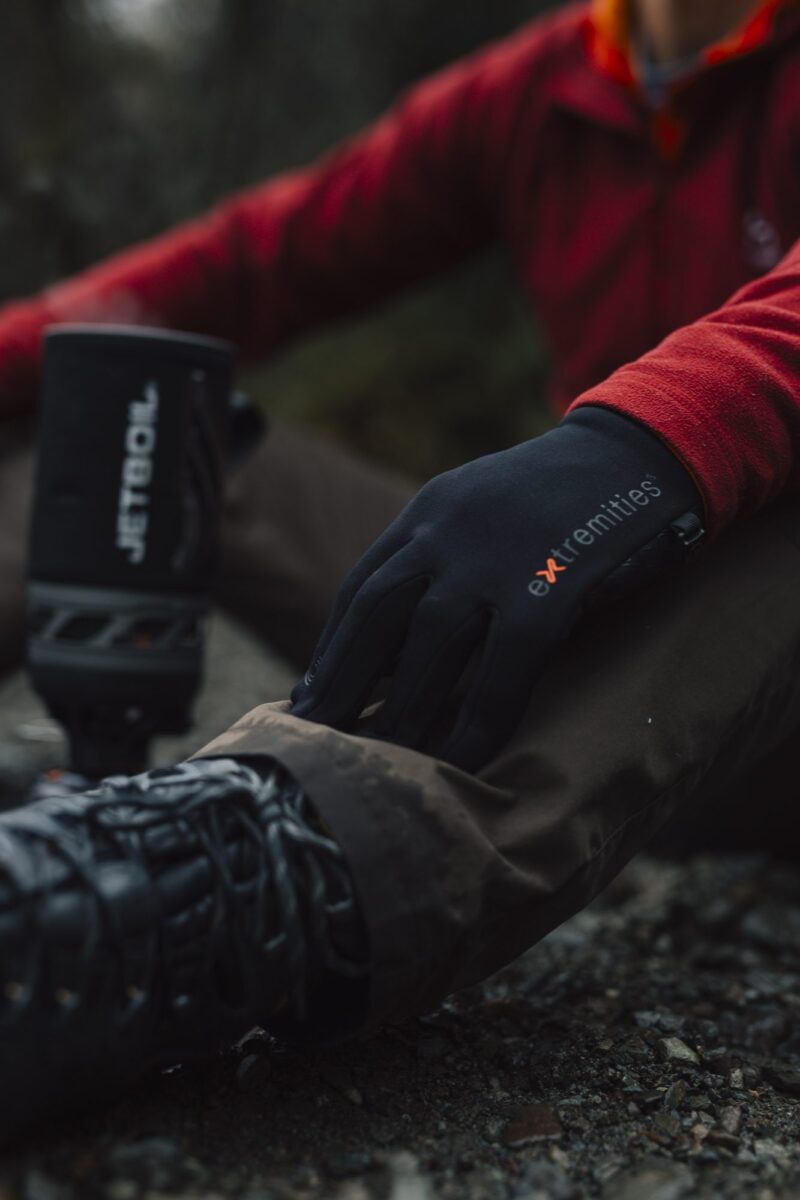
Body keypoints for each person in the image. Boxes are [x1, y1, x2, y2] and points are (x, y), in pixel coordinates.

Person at [0, 0, 799, 1136]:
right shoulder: (550, 85)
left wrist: (643, 448)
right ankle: (77, 844)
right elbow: (250, 263)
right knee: (141, 410)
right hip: (586, 671)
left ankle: (197, 900)